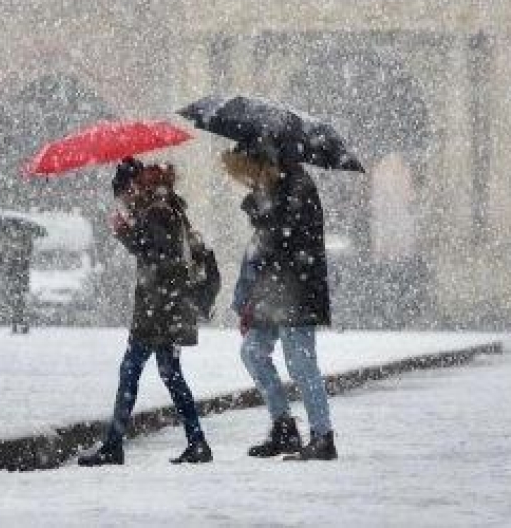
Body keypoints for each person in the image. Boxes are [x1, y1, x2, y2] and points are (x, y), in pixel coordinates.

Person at [78, 160, 212, 466]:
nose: (124, 203)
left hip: (157, 311)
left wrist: (125, 232)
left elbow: (162, 261)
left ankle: (113, 445)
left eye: (123, 197)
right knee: (170, 375)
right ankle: (197, 441)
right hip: (169, 308)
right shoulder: (167, 206)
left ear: (131, 187)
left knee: (130, 372)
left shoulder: (156, 211)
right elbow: (164, 254)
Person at [225, 142, 338, 461]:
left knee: (300, 363)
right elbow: (258, 252)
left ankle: (322, 436)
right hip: (273, 291)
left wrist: (258, 203)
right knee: (252, 352)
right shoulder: (275, 188)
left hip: (298, 290)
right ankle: (284, 427)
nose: (245, 180)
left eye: (248, 172)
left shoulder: (296, 186)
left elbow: (280, 237)